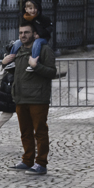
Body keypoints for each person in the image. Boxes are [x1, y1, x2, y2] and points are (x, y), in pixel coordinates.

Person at [9, 23, 56, 174]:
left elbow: (52, 72)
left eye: (26, 32)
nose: (23, 35)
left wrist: (36, 66)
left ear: (35, 34)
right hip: (21, 98)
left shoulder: (44, 49)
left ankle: (41, 163)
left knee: (40, 131)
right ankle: (27, 160)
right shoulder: (19, 50)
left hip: (38, 98)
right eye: (20, 33)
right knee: (25, 131)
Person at [6, 0, 53, 71]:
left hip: (42, 38)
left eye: (35, 8)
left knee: (37, 43)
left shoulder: (42, 18)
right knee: (17, 42)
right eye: (31, 8)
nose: (33, 11)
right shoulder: (25, 18)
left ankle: (34, 61)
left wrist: (40, 35)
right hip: (31, 37)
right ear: (26, 9)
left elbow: (50, 28)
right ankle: (12, 60)